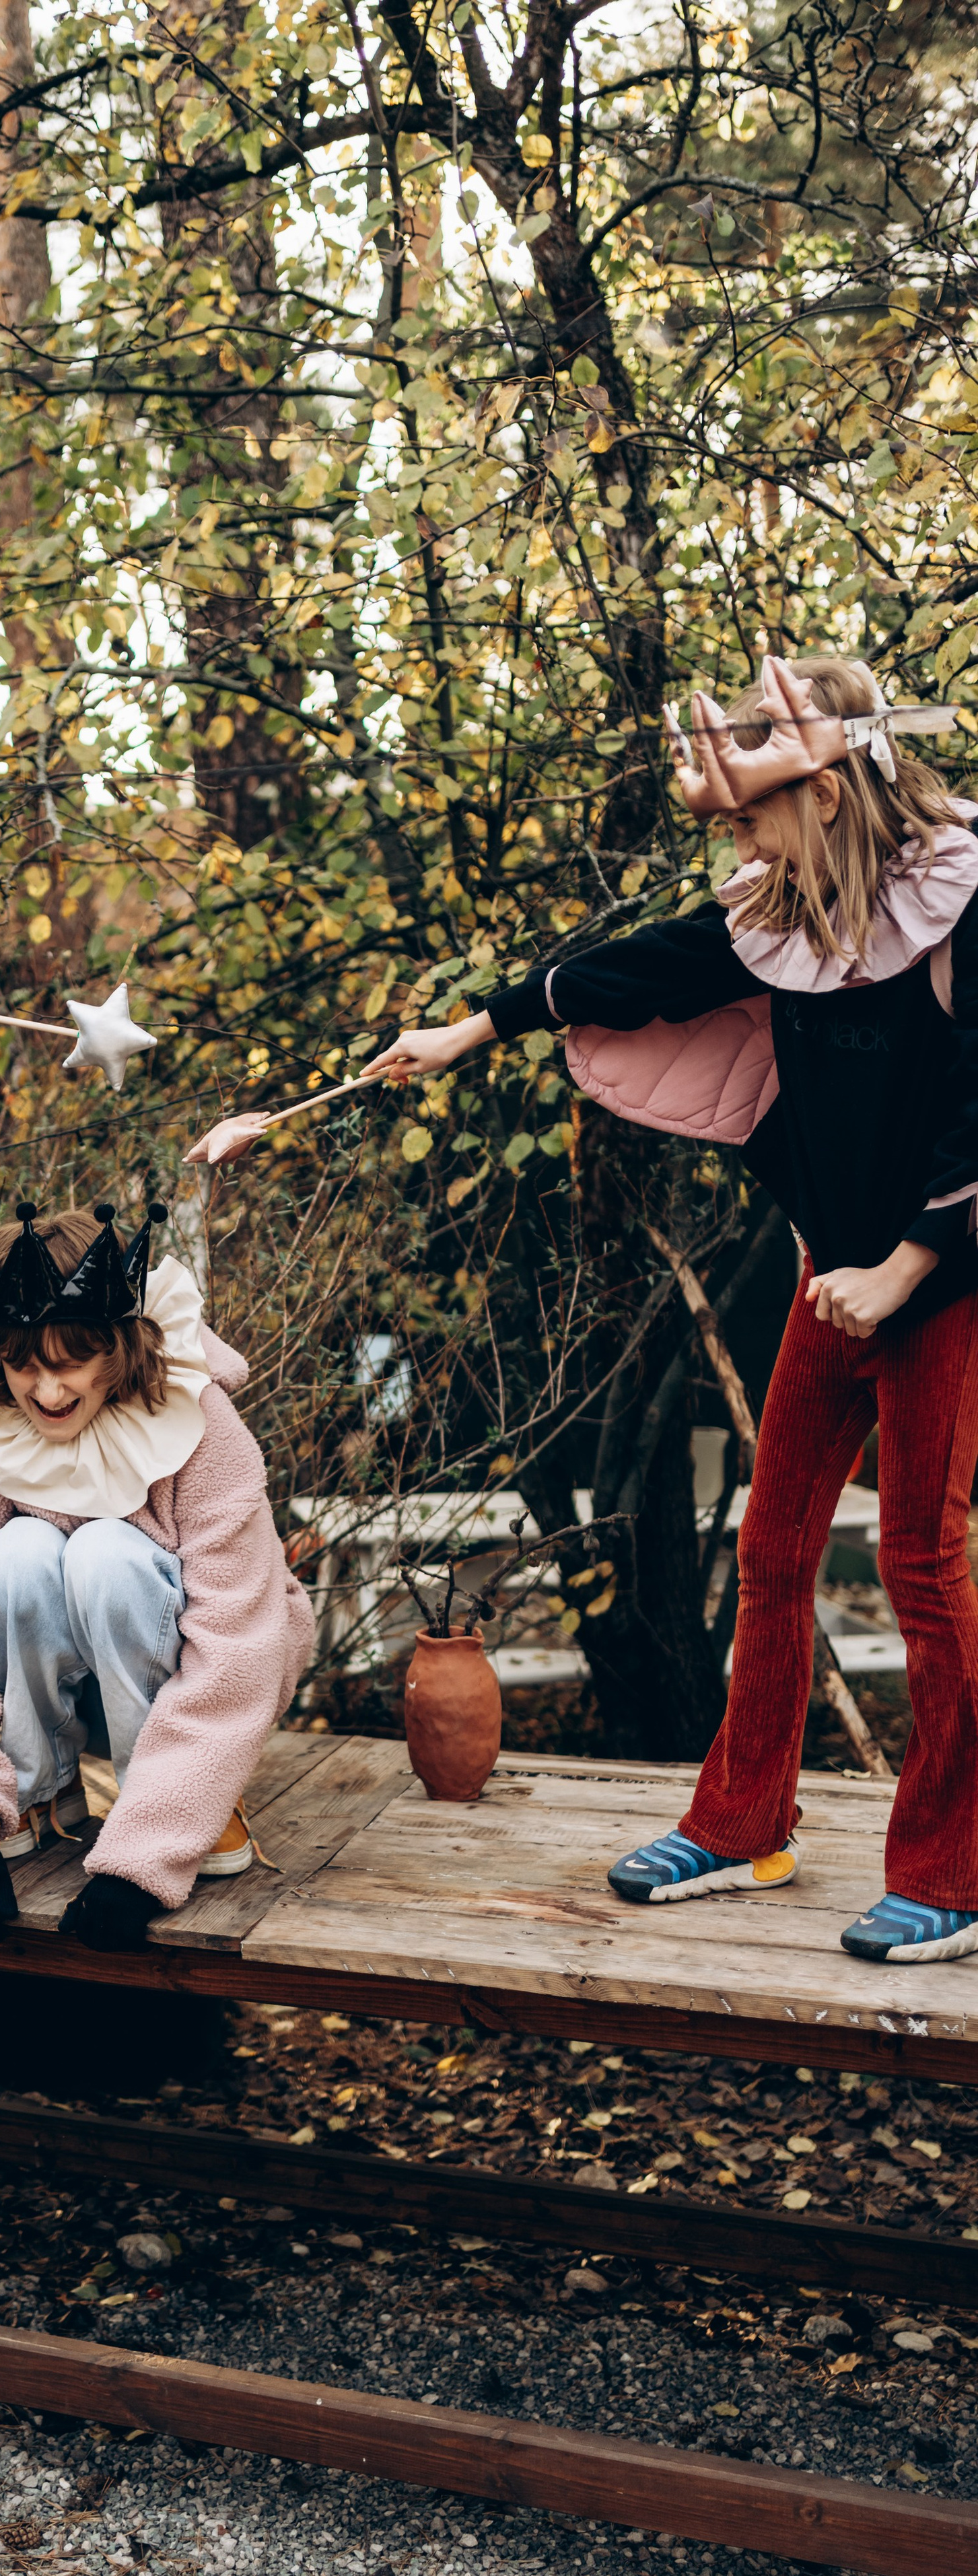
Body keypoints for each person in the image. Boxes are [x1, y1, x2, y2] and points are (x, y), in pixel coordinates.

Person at [369, 652, 978, 1963]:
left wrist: (903, 1272)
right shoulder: (778, 912)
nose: (736, 837)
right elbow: (631, 971)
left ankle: (950, 1869)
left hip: (938, 1288)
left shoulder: (956, 909)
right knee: (768, 1555)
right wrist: (468, 1029)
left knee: (923, 1569)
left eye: (753, 809)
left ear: (822, 789)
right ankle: (738, 1821)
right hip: (832, 1276)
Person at [0, 1198, 315, 1950]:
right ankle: (35, 1790)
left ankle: (182, 1806)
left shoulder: (202, 1425)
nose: (47, 1393)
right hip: (46, 1683)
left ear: (119, 1347)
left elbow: (239, 1639)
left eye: (70, 1364)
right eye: (22, 1364)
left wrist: (142, 1861)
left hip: (196, 1676)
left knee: (106, 1553)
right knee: (18, 1554)